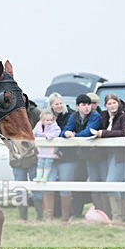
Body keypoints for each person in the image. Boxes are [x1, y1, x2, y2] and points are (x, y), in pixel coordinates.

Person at [92, 94, 125, 223]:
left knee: (111, 184)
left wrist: (104, 133)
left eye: (114, 103)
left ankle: (117, 217)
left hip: (120, 154)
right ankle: (122, 217)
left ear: (118, 103)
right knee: (119, 186)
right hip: (107, 154)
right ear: (105, 105)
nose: (112, 106)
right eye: (109, 104)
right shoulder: (105, 116)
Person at [63, 94, 103, 215]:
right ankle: (76, 213)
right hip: (81, 155)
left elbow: (89, 131)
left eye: (88, 104)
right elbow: (65, 130)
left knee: (96, 184)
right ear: (77, 106)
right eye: (83, 105)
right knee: (77, 183)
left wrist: (74, 135)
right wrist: (66, 134)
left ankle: (100, 212)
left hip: (96, 155)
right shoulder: (74, 116)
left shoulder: (95, 116)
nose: (87, 107)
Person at [9, 93, 42, 221]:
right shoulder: (8, 114)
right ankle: (23, 217)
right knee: (20, 188)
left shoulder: (35, 112)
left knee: (37, 187)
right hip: (17, 157)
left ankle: (40, 216)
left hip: (33, 156)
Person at [43, 93, 73, 221]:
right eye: (56, 104)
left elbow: (69, 134)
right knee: (48, 184)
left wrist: (60, 153)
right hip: (49, 156)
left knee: (65, 186)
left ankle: (65, 218)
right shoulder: (45, 117)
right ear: (51, 105)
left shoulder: (70, 116)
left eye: (61, 103)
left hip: (67, 156)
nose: (59, 106)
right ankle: (48, 217)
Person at [33, 110, 60, 182]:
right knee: (40, 163)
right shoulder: (38, 125)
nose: (49, 122)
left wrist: (48, 136)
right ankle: (39, 177)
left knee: (47, 164)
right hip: (40, 149)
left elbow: (57, 132)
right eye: (47, 120)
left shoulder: (54, 126)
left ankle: (45, 177)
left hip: (50, 149)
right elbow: (34, 132)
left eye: (51, 120)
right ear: (42, 120)